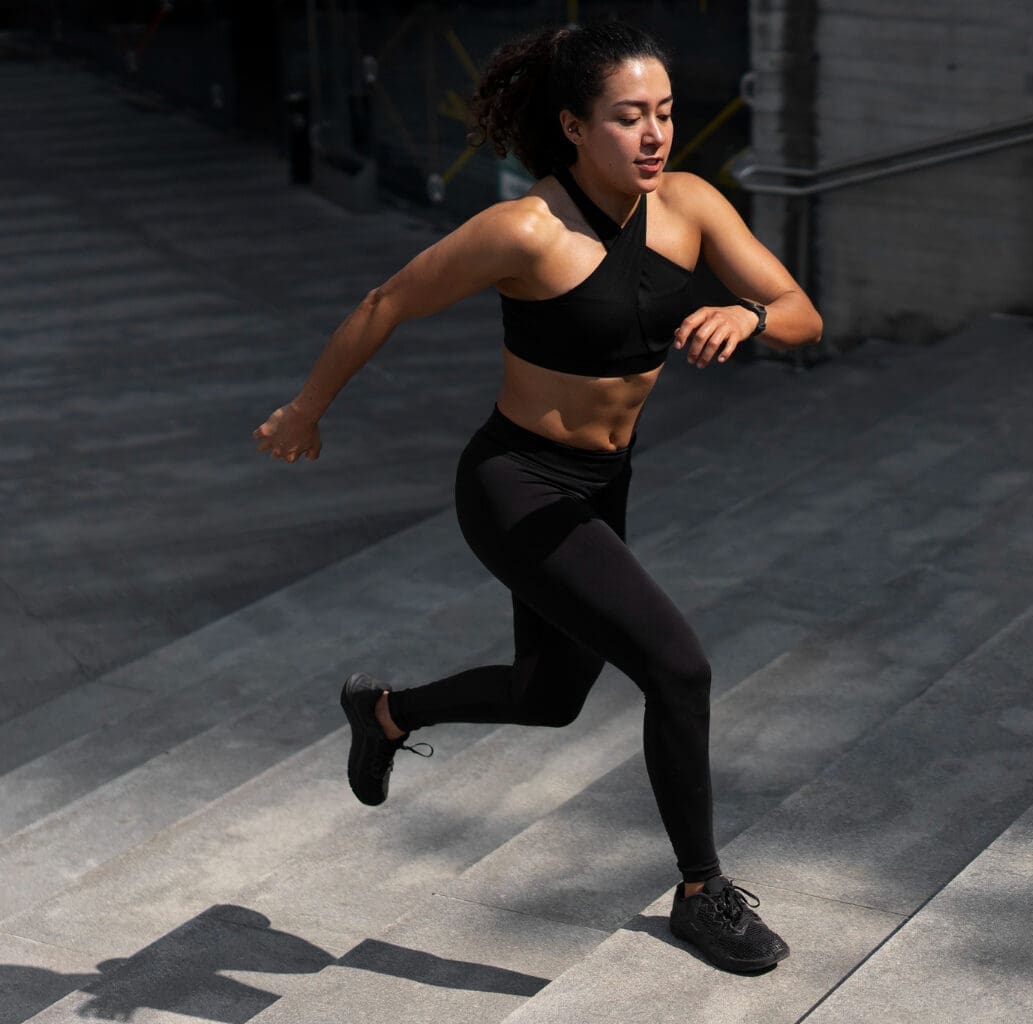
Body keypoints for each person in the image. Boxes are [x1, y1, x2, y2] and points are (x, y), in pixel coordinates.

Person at [252, 21, 822, 974]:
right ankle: (701, 891)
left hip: (604, 485)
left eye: (667, 114)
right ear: (573, 125)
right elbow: (386, 301)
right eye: (628, 117)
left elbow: (804, 314)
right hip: (517, 484)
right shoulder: (525, 229)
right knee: (679, 670)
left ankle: (385, 715)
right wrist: (305, 409)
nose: (655, 135)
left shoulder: (690, 206)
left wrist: (748, 311)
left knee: (550, 697)